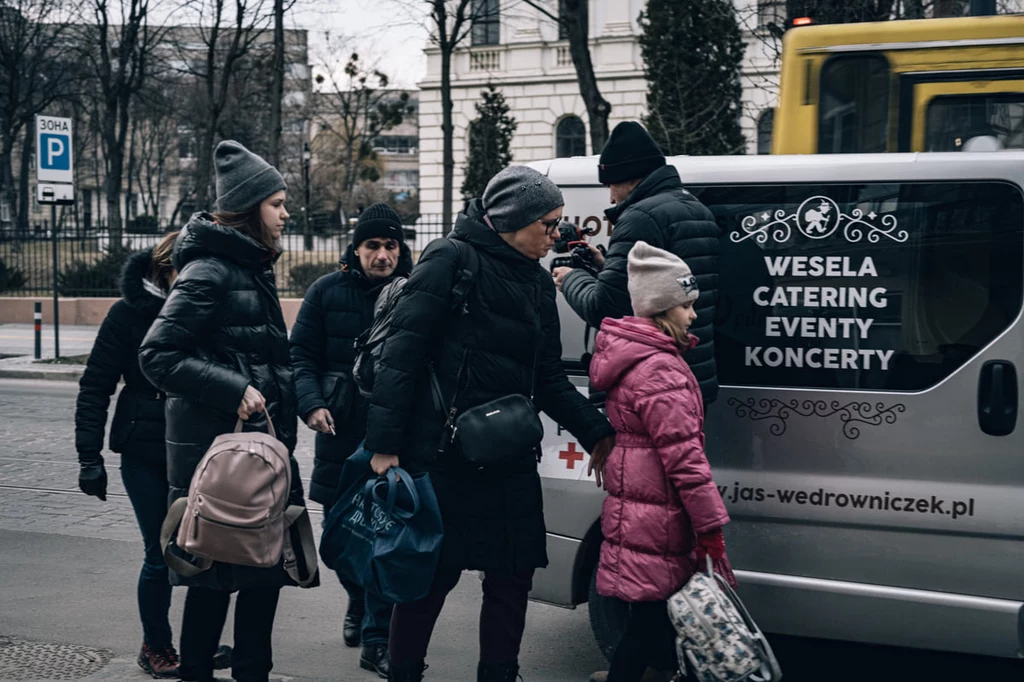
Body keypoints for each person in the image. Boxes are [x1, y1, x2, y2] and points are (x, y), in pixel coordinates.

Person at [364, 166, 616, 682]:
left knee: (512, 576)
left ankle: (499, 674)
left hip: (509, 456)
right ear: (511, 219)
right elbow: (401, 356)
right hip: (440, 456)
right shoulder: (450, 259)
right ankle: (404, 672)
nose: (555, 236)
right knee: (430, 577)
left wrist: (597, 431)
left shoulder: (537, 283)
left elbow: (546, 376)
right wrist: (384, 446)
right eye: (547, 224)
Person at [139, 140, 308, 682]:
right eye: (277, 204)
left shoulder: (249, 267)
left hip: (257, 456)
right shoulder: (210, 271)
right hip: (224, 468)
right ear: (248, 208)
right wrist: (232, 387)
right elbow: (157, 355)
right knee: (215, 590)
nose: (285, 214)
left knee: (262, 584)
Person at [585, 242, 734, 682]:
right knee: (650, 624)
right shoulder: (661, 371)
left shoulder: (644, 360)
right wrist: (710, 529)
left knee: (656, 622)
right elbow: (685, 459)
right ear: (663, 308)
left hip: (643, 511)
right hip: (658, 518)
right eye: (686, 305)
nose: (692, 315)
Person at [289, 202, 413, 678]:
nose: (382, 255)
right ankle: (357, 598)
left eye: (390, 245)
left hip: (393, 436)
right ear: (356, 248)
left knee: (386, 533)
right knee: (340, 534)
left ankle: (378, 638)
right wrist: (311, 403)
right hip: (338, 432)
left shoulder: (414, 293)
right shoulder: (325, 292)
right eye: (372, 245)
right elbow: (300, 354)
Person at [552, 121, 722, 407]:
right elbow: (667, 288)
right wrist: (607, 265)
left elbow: (605, 307)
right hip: (690, 376)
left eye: (611, 184)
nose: (610, 196)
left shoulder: (641, 217)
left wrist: (571, 278)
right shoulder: (695, 208)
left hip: (649, 386)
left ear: (629, 177)